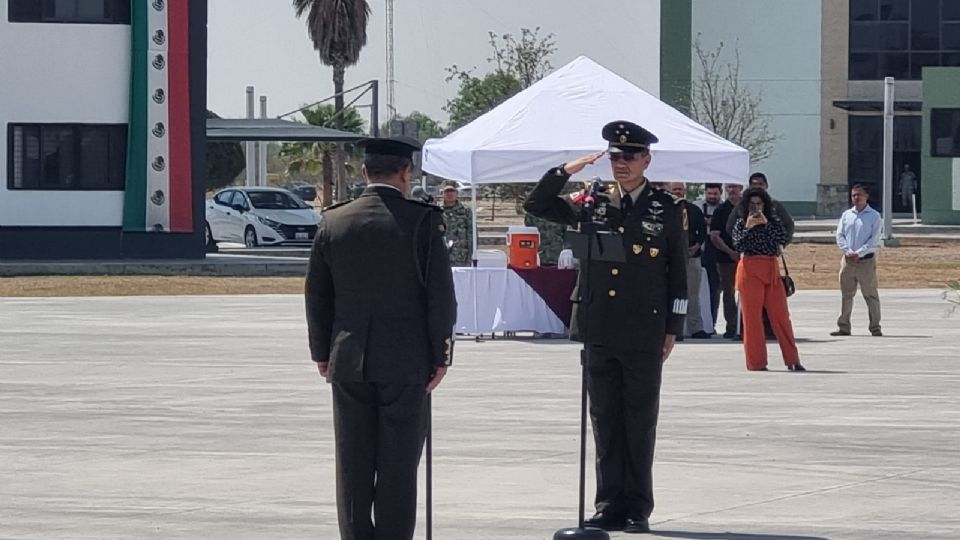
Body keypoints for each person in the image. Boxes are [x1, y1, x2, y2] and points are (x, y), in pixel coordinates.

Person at [524, 121, 687, 534]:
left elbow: (678, 273)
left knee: (639, 419)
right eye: (615, 157)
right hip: (598, 325)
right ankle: (609, 503)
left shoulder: (666, 208)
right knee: (605, 418)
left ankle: (637, 506)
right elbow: (537, 204)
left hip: (644, 327)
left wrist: (673, 326)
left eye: (629, 157)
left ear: (646, 160)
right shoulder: (592, 200)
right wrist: (566, 170)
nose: (621, 164)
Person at [304, 136, 458, 540]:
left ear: (363, 172)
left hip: (348, 357)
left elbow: (317, 295)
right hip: (406, 360)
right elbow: (440, 296)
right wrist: (440, 354)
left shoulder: (334, 221)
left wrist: (322, 352)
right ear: (406, 173)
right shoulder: (423, 222)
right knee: (399, 464)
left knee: (352, 463)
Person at [731, 187, 804, 372]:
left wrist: (766, 224)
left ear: (765, 205)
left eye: (759, 204)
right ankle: (756, 362)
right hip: (749, 270)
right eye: (752, 204)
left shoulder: (774, 221)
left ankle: (792, 359)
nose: (756, 208)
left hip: (771, 269)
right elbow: (738, 244)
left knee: (781, 316)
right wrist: (748, 227)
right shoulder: (741, 223)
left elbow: (781, 239)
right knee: (752, 319)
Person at [832, 183, 883, 337]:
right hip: (848, 261)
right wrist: (847, 251)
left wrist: (859, 253)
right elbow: (840, 235)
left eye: (859, 195)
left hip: (865, 262)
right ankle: (844, 327)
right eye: (853, 195)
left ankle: (875, 327)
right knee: (846, 295)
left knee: (870, 295)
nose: (856, 198)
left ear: (866, 196)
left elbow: (874, 239)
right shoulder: (847, 215)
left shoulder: (874, 216)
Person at [668, 182, 710, 339]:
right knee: (672, 295)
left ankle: (696, 327)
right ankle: (674, 330)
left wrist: (696, 246)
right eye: (674, 189)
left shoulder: (693, 210)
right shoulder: (665, 209)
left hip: (692, 257)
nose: (677, 192)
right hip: (671, 259)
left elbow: (702, 232)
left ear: (684, 191)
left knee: (692, 294)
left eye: (679, 189)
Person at [710, 183, 743, 339]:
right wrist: (730, 252)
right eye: (729, 187)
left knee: (747, 293)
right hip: (726, 258)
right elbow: (714, 236)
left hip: (747, 258)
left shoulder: (747, 208)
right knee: (728, 293)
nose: (732, 190)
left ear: (741, 188)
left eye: (735, 187)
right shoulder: (721, 210)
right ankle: (732, 326)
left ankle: (745, 324)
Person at [697, 183, 723, 332]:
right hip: (700, 251)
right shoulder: (697, 207)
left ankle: (710, 323)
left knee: (714, 290)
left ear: (720, 193)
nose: (712, 197)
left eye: (715, 194)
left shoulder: (724, 208)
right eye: (709, 194)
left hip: (717, 253)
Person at [440, 182, 473, 266]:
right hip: (442, 256)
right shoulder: (437, 211)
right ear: (442, 193)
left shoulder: (466, 210)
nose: (449, 194)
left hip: (461, 256)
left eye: (452, 191)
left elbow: (471, 233)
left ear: (457, 193)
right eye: (447, 191)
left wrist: (471, 255)